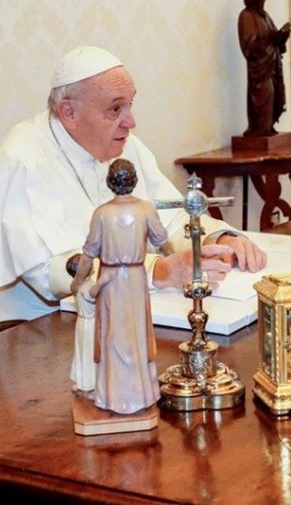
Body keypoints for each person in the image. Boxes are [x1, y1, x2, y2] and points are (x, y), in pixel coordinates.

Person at [0, 46, 267, 325]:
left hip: (111, 316)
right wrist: (158, 271)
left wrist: (218, 238)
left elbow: (169, 217)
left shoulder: (123, 145)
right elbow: (51, 272)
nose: (131, 122)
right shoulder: (21, 162)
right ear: (69, 112)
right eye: (115, 109)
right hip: (28, 330)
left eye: (130, 105)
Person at [70, 159, 165, 414]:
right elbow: (163, 242)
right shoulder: (145, 209)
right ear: (133, 180)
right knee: (135, 334)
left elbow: (89, 253)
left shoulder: (102, 213)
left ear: (110, 182)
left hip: (112, 280)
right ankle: (139, 395)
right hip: (133, 279)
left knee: (114, 336)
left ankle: (114, 396)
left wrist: (77, 281)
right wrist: (183, 260)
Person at [238, 0, 291, 136]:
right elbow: (250, 46)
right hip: (260, 70)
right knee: (263, 96)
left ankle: (268, 126)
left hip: (272, 65)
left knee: (274, 96)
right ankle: (259, 129)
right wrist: (271, 39)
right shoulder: (246, 16)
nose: (264, 1)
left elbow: (273, 37)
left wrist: (281, 36)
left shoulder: (265, 16)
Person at [65, 253, 113, 396]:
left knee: (83, 352)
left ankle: (82, 382)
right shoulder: (87, 286)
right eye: (87, 263)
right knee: (90, 354)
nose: (91, 263)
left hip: (83, 323)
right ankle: (89, 385)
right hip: (90, 325)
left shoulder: (76, 284)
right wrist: (102, 281)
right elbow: (92, 294)